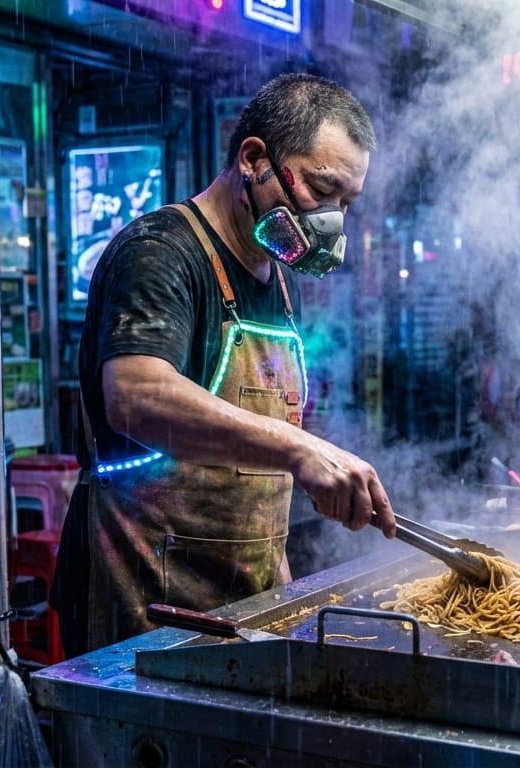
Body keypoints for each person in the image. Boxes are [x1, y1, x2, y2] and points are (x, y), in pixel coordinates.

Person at [51, 73, 397, 655]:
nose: (332, 219)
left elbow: (255, 477)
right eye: (321, 188)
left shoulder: (278, 280)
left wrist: (281, 598)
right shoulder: (160, 253)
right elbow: (134, 394)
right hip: (142, 614)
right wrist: (300, 448)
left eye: (346, 203)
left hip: (243, 611)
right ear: (255, 159)